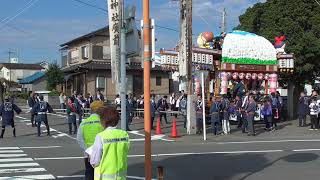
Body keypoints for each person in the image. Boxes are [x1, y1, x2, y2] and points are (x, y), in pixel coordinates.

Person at [87, 106, 130, 180]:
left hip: (104, 177)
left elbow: (95, 162)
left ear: (103, 121)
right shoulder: (124, 134)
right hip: (121, 176)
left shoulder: (101, 136)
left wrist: (91, 156)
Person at [77, 101, 105, 180]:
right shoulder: (103, 122)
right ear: (100, 110)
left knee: (89, 173)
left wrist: (88, 150)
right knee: (101, 174)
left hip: (88, 155)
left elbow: (79, 139)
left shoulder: (84, 122)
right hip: (102, 154)